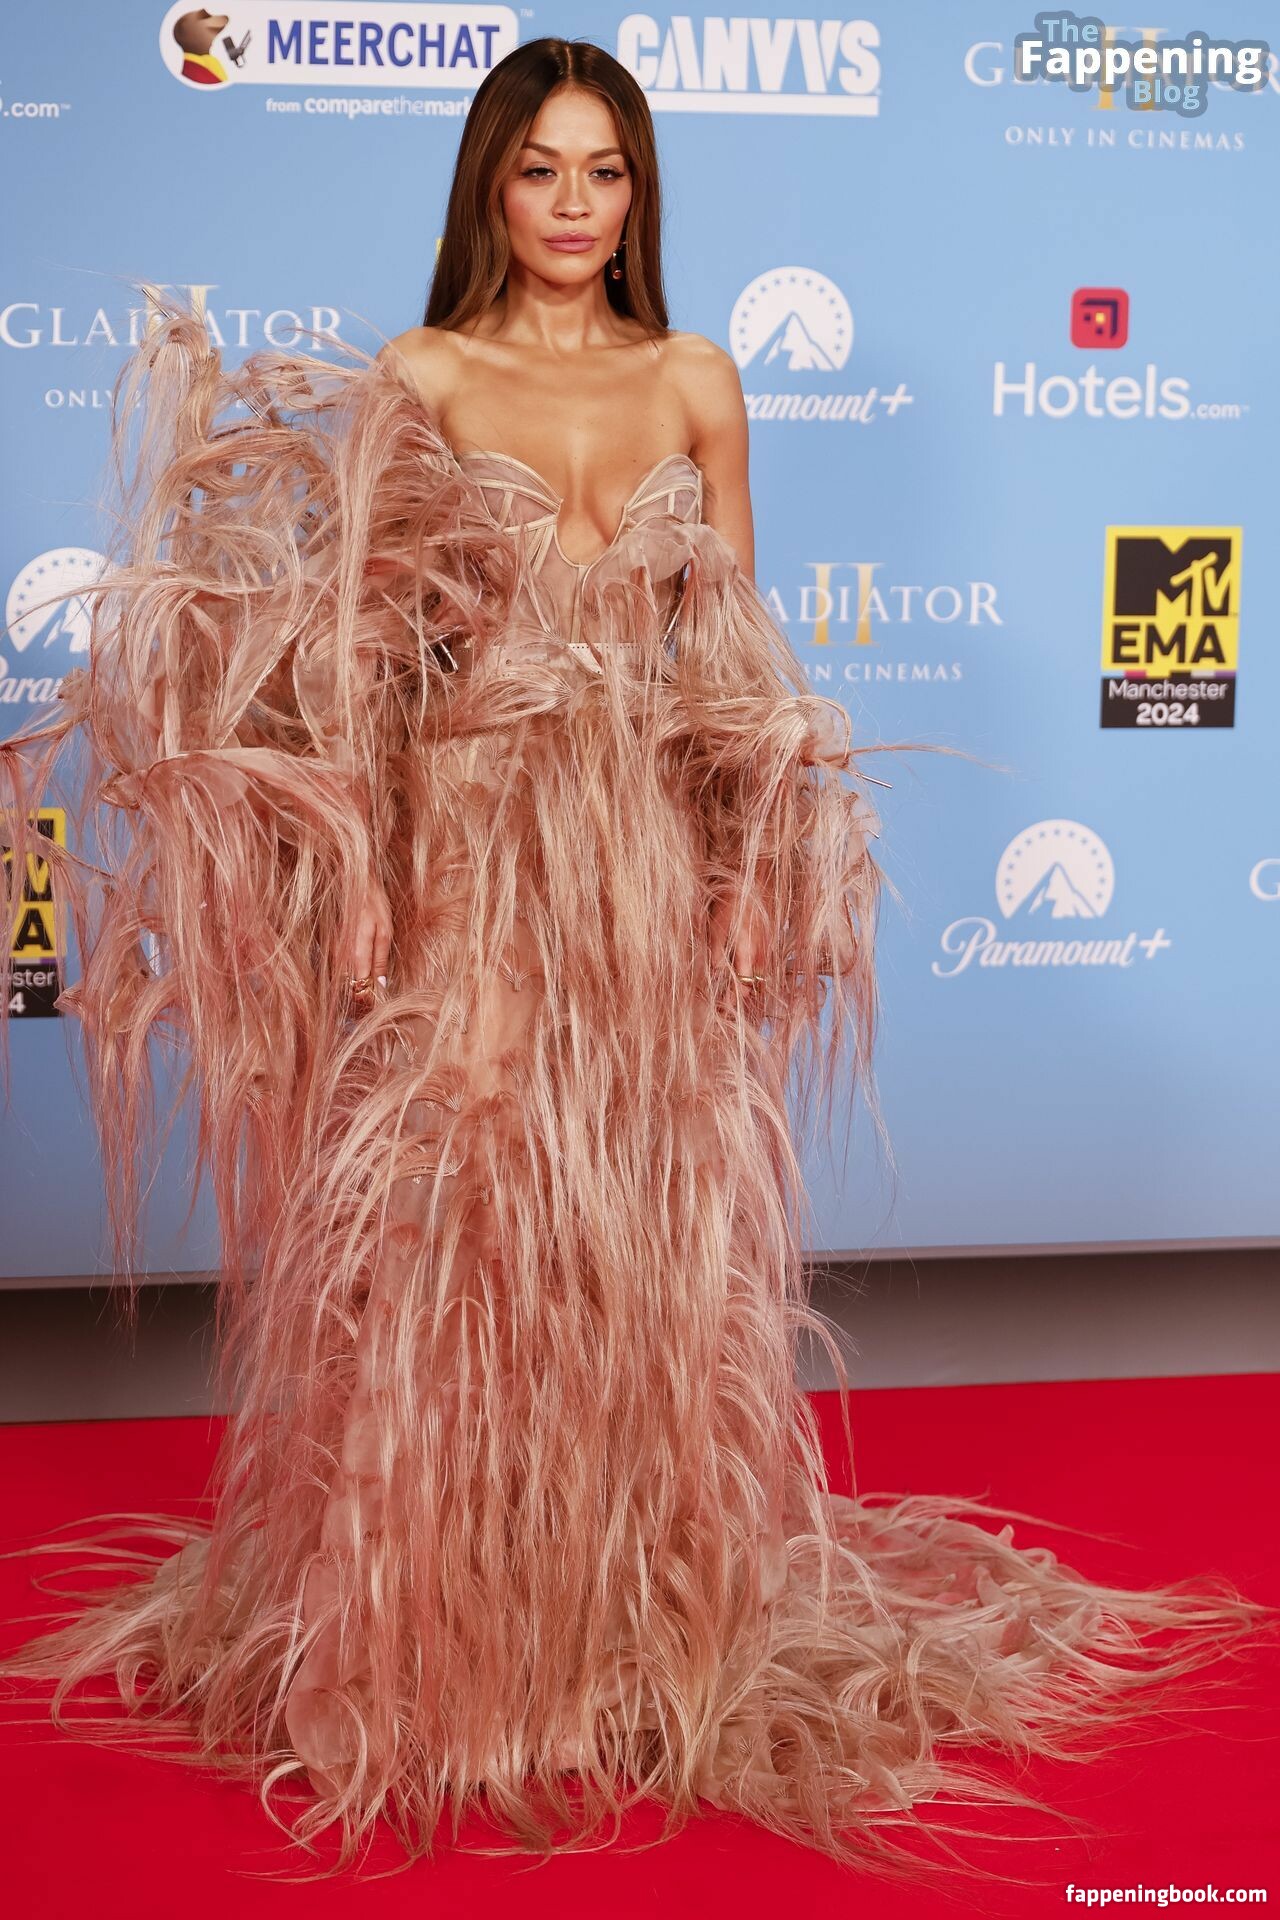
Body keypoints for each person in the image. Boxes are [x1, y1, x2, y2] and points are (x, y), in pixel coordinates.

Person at [0, 35, 1271, 1890]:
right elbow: (365, 661)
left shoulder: (698, 380)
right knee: (469, 1220)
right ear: (489, 187)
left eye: (606, 171)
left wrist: (752, 860)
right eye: (542, 170)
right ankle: (442, 1649)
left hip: (648, 856)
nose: (575, 205)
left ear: (640, 191)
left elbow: (732, 652)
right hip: (477, 848)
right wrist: (368, 876)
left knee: (640, 1227)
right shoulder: (425, 378)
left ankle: (620, 1631)